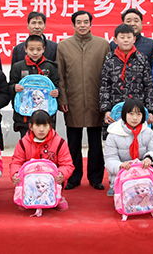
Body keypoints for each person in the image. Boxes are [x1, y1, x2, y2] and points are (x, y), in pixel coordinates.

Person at [57, 10, 111, 191]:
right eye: (78, 22)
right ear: (73, 25)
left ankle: (96, 178)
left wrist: (106, 101)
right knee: (73, 142)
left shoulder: (102, 45)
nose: (82, 25)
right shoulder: (63, 46)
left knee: (96, 143)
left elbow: (108, 75)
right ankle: (73, 177)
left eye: (85, 22)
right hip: (73, 100)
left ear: (90, 24)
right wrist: (62, 99)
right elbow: (60, 76)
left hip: (96, 100)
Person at [10, 110, 73, 212]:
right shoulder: (23, 143)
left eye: (45, 125)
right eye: (37, 125)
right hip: (30, 179)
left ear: (50, 126)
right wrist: (15, 174)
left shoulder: (60, 142)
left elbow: (67, 164)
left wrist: (61, 174)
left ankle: (57, 196)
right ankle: (26, 197)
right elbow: (16, 162)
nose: (41, 129)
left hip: (52, 180)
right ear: (30, 126)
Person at [103, 98, 153, 197]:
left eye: (139, 114)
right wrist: (120, 166)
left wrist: (149, 158)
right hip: (123, 175)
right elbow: (110, 159)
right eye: (131, 114)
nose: (135, 118)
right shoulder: (113, 134)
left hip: (144, 174)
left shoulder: (148, 132)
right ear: (124, 114)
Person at [100, 24, 153, 125]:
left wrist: (150, 110)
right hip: (115, 112)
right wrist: (106, 110)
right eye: (122, 37)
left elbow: (148, 86)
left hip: (138, 112)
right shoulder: (109, 61)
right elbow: (104, 87)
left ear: (134, 39)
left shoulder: (142, 60)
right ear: (115, 40)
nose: (126, 40)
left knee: (139, 134)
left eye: (129, 37)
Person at [8, 35, 60, 137]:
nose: (35, 52)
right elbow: (9, 87)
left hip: (45, 116)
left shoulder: (50, 67)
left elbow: (57, 85)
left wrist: (57, 92)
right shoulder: (18, 67)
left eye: (38, 49)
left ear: (44, 49)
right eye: (31, 49)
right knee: (26, 143)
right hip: (25, 117)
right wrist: (14, 87)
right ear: (25, 49)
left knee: (46, 143)